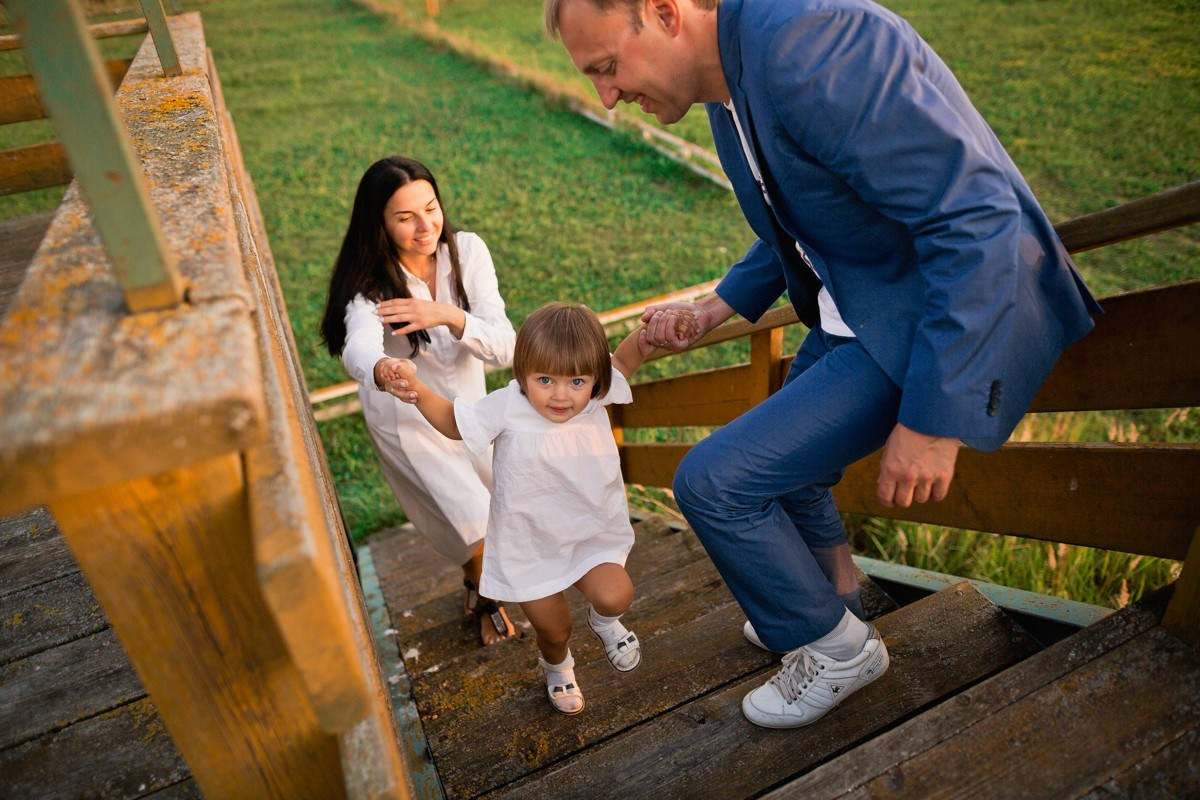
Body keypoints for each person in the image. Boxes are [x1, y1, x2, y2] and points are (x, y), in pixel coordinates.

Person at [545, 0, 1101, 728]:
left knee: (712, 482)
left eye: (608, 68)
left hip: (914, 327)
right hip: (856, 315)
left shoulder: (807, 41)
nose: (606, 97)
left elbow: (976, 216)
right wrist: (719, 307)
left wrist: (934, 417)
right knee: (787, 466)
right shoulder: (723, 83)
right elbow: (799, 205)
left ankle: (836, 649)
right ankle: (830, 604)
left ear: (664, 11)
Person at [386, 302, 662, 715]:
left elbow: (624, 358)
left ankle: (604, 624)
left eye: (577, 381)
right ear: (523, 374)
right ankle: (558, 666)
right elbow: (453, 422)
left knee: (616, 594)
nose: (560, 394)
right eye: (545, 379)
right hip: (529, 545)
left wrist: (649, 334)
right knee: (555, 629)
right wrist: (417, 390)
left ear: (595, 380)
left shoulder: (594, 397)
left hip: (589, 534)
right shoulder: (508, 406)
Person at [320, 155, 518, 646]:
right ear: (380, 224)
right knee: (472, 525)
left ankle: (476, 588)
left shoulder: (467, 252)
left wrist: (448, 315)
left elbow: (507, 346)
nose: (425, 226)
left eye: (431, 208)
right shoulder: (369, 284)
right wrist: (382, 368)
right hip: (410, 419)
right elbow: (359, 344)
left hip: (471, 409)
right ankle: (489, 595)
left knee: (501, 508)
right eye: (405, 217)